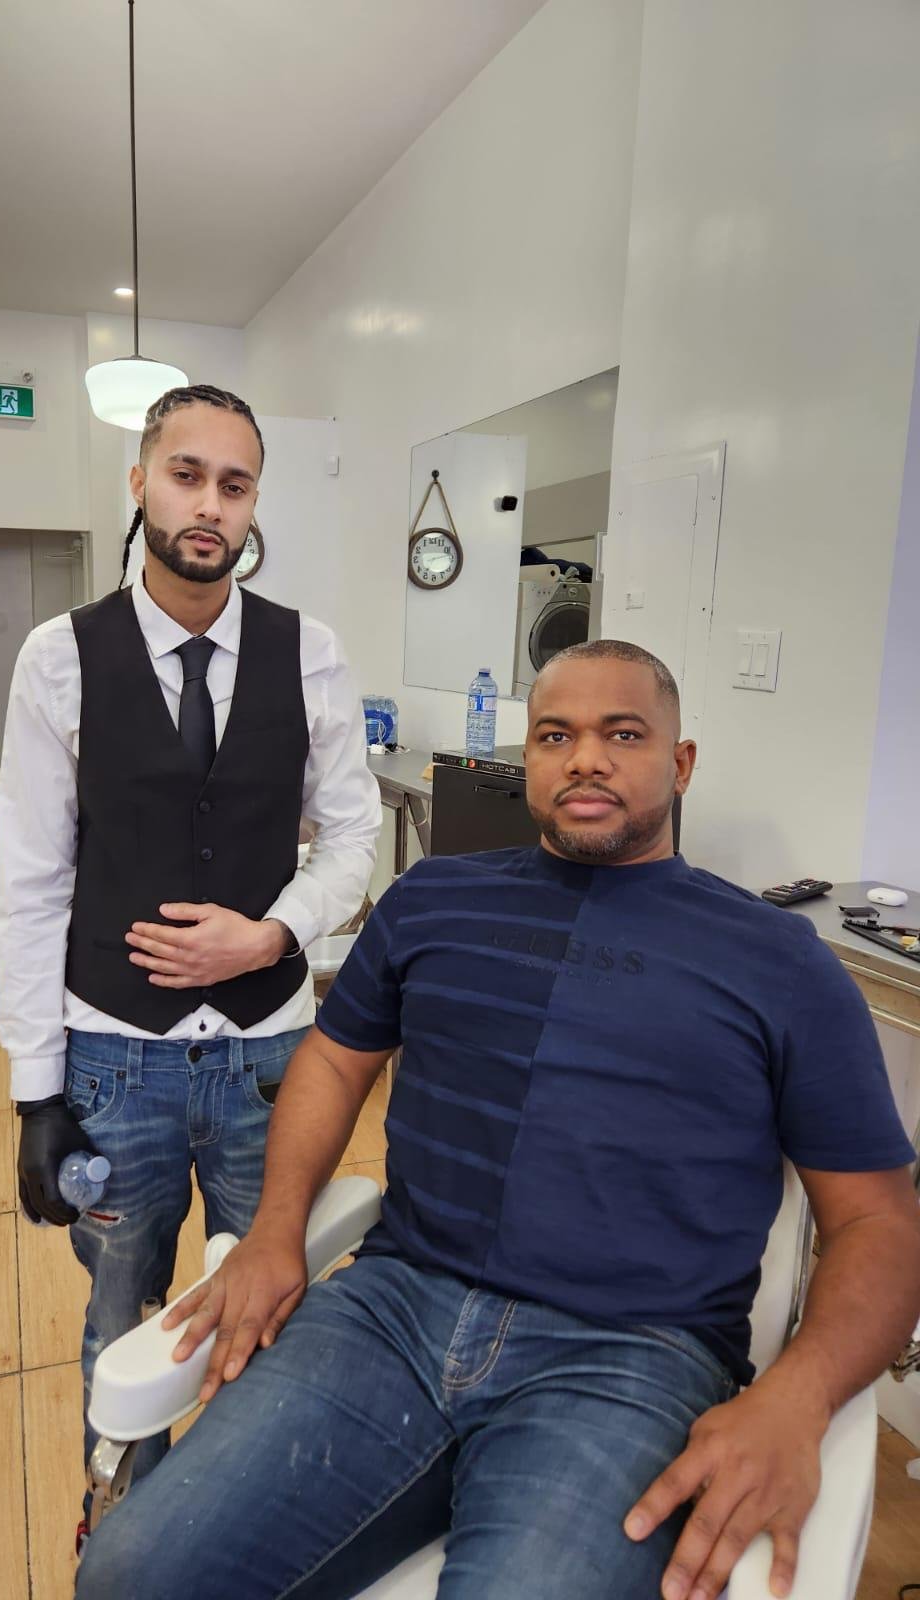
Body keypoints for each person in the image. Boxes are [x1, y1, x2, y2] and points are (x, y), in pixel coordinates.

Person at [76, 639, 920, 1600]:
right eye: (556, 734)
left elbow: (880, 1225)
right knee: (132, 1575)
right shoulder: (437, 898)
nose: (586, 758)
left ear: (681, 765)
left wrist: (798, 1398)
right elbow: (332, 1059)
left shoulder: (780, 963)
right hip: (395, 1308)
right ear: (527, 761)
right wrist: (275, 1232)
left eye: (624, 734)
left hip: (625, 1359)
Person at [0, 384, 381, 1544]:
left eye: (235, 482)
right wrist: (34, 1091)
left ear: (255, 500)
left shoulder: (310, 652)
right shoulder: (60, 658)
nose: (208, 504)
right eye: (186, 474)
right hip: (115, 1057)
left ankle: (244, 1529)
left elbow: (354, 835)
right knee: (123, 1311)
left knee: (280, 1299)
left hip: (270, 1056)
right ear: (142, 482)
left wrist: (275, 931)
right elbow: (27, 880)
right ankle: (125, 1527)